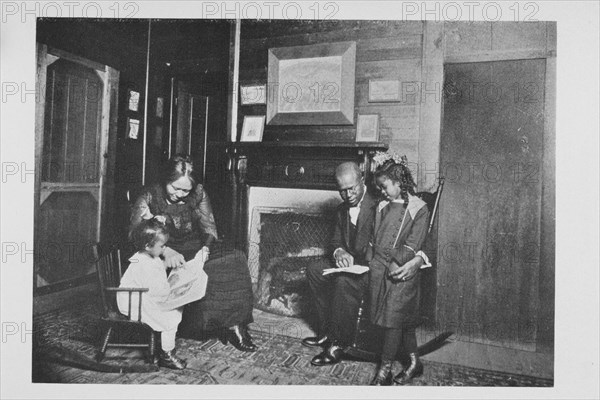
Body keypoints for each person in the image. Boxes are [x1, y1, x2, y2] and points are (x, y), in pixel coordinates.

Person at [303, 162, 428, 367]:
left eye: (352, 188)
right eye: (342, 191)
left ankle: (337, 344)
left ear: (362, 180)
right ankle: (328, 330)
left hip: (373, 266)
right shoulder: (341, 209)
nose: (348, 195)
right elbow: (335, 241)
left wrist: (417, 258)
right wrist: (339, 251)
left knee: (344, 282)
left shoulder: (381, 202)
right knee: (314, 270)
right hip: (350, 263)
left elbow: (410, 238)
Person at [129, 154, 257, 352]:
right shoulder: (149, 196)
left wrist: (205, 248)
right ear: (166, 180)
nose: (180, 194)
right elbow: (135, 234)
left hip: (196, 246)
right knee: (206, 270)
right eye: (175, 187)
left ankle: (236, 324)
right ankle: (207, 324)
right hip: (164, 249)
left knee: (234, 258)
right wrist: (165, 251)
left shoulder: (198, 193)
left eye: (185, 190)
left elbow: (210, 227)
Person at [368, 156, 429, 385]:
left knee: (393, 318)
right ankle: (415, 362)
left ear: (397, 182)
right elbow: (375, 239)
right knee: (393, 317)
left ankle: (384, 370)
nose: (381, 192)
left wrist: (398, 260)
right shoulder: (382, 206)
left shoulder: (418, 208)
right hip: (380, 266)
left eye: (384, 187)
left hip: (402, 269)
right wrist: (372, 263)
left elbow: (414, 243)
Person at [117, 218, 187, 369]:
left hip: (140, 296)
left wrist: (165, 267)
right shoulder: (143, 263)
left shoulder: (147, 256)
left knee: (173, 309)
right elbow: (157, 291)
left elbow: (156, 278)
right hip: (133, 301)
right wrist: (173, 284)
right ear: (148, 246)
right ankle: (167, 354)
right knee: (170, 314)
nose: (164, 249)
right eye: (162, 246)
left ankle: (163, 349)